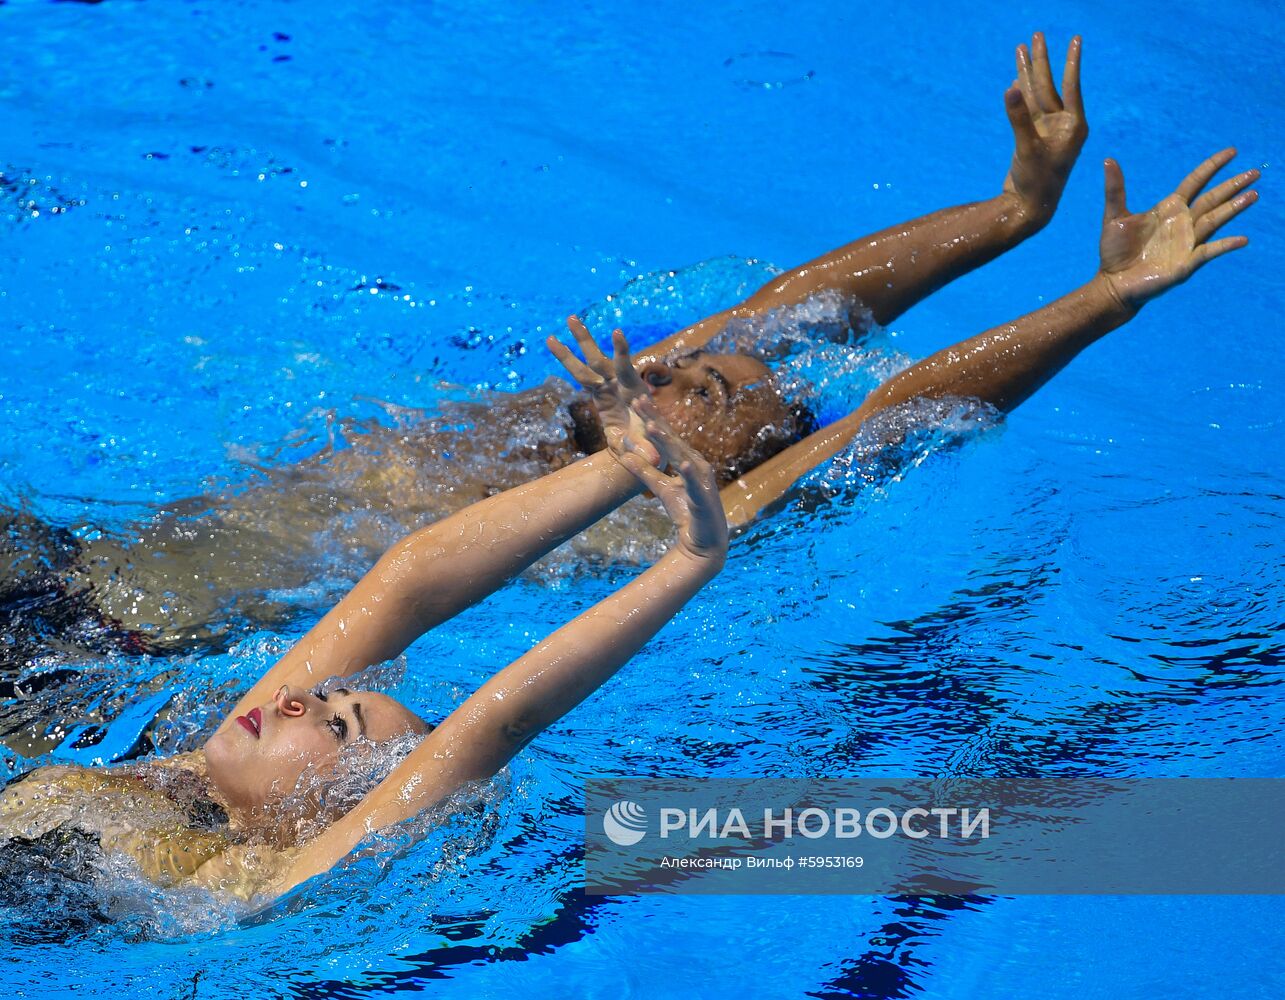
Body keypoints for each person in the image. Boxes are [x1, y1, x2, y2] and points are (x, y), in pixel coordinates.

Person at [4, 32, 1111, 661]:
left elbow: (896, 411)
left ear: (717, 471)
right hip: (70, 559)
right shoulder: (558, 415)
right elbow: (801, 305)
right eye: (694, 357)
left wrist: (1107, 297)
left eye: (707, 388)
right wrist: (1012, 212)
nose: (673, 360)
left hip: (106, 658)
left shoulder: (638, 516)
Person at [0, 381, 728, 904]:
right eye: (324, 699)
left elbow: (498, 722)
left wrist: (687, 563)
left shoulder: (236, 886)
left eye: (334, 724)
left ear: (321, 813)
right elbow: (402, 587)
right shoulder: (207, 775)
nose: (288, 697)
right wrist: (623, 462)